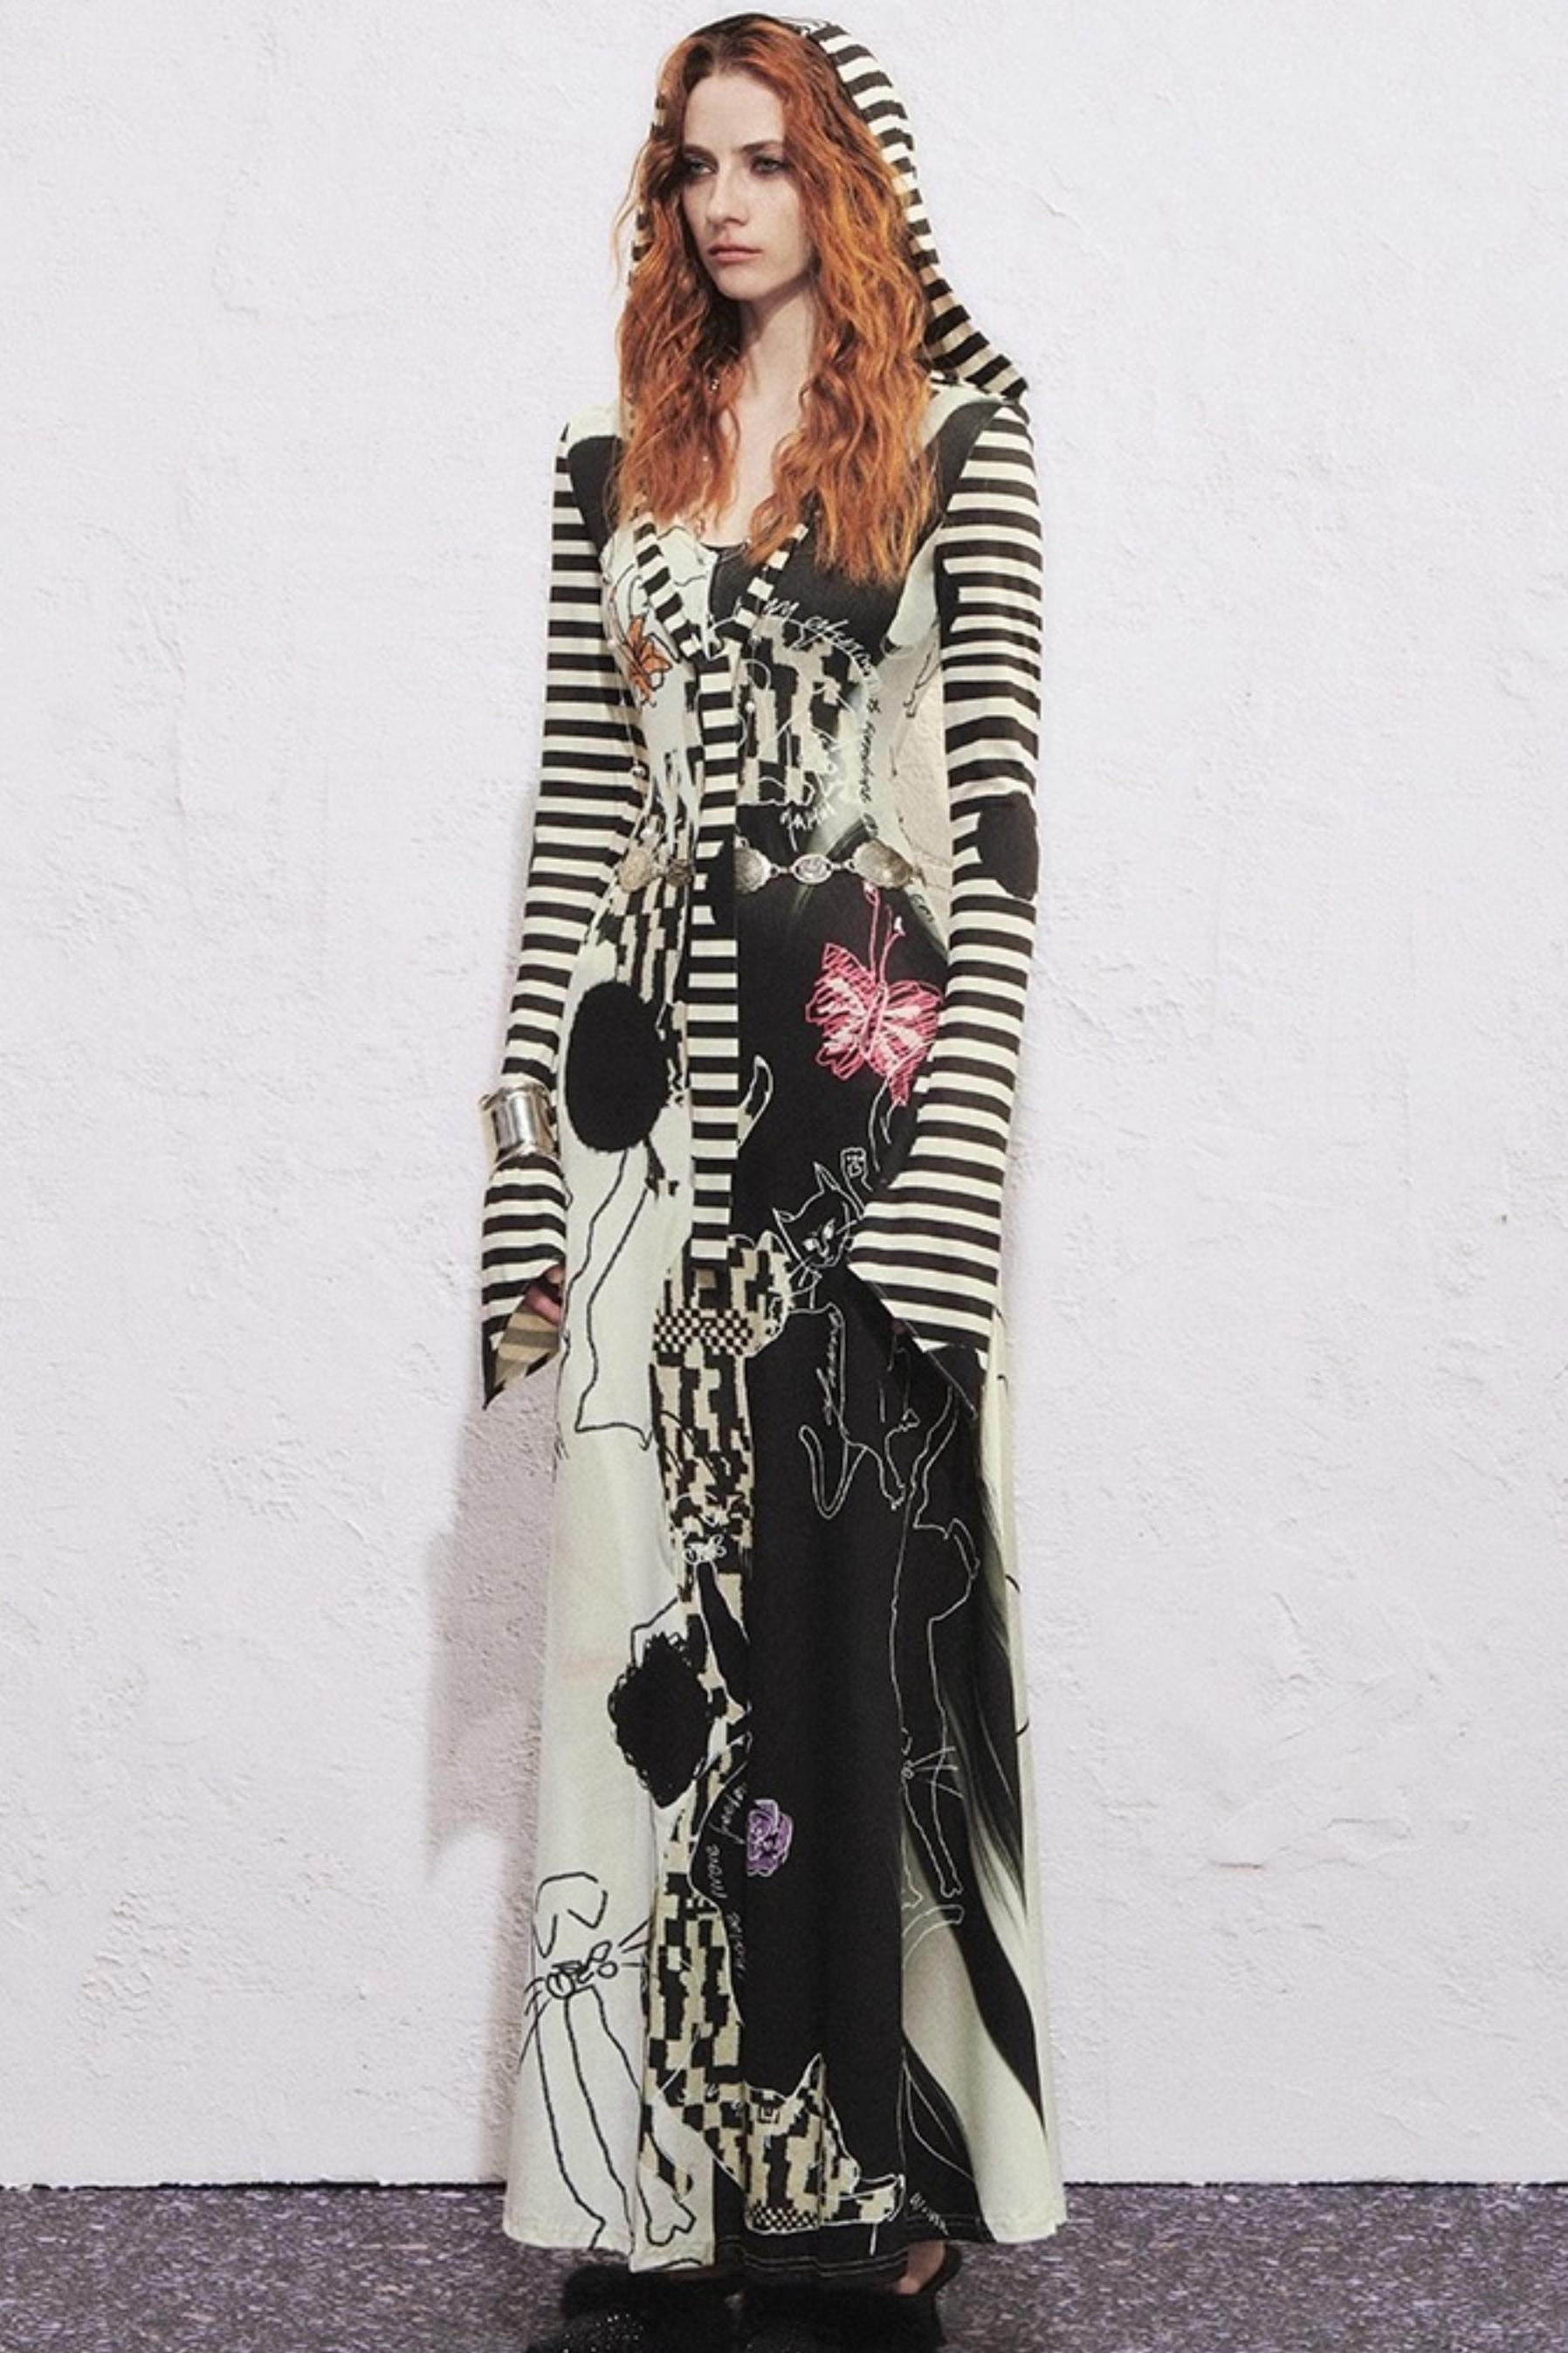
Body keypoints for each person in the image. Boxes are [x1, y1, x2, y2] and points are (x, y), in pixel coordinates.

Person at [477, 16, 1066, 2350]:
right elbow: (573, 829)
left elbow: (995, 840)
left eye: (766, 162)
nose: (724, 206)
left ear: (848, 182)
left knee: (848, 1635)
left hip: (858, 1117)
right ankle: (667, 2181)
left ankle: (873, 2191)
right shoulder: (608, 466)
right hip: (641, 1131)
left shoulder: (957, 447)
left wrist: (951, 1192)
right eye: (692, 169)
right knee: (652, 1637)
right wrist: (524, 1183)